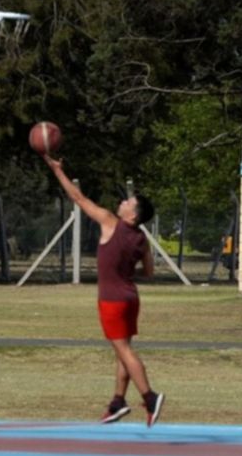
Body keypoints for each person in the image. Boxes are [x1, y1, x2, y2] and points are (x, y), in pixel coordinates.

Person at [43, 154, 164, 427]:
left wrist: (58, 171)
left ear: (132, 214)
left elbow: (79, 198)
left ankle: (149, 397)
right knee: (123, 350)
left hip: (112, 299)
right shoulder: (141, 238)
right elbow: (149, 272)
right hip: (131, 297)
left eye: (128, 202)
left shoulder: (111, 222)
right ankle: (118, 402)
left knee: (123, 350)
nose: (122, 202)